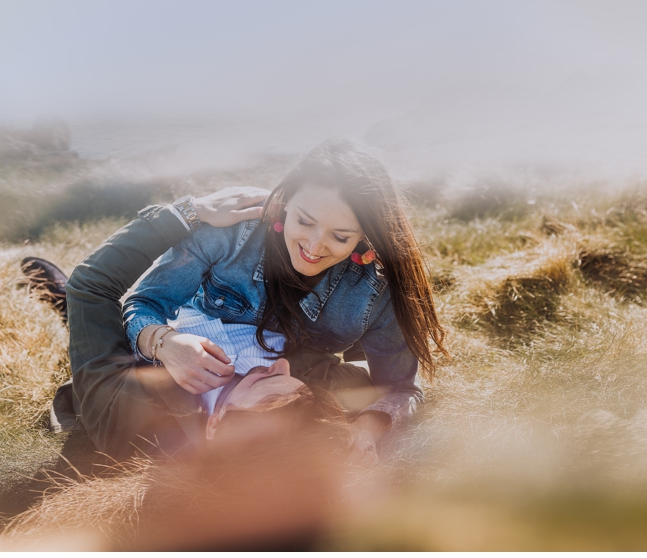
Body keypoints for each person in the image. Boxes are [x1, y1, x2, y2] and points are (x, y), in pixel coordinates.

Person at [123, 137, 448, 460]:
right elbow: (143, 304)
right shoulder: (228, 233)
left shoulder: (375, 291)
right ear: (287, 202)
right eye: (305, 221)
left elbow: (401, 388)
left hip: (290, 390)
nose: (314, 246)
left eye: (340, 236)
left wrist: (367, 427)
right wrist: (166, 343)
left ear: (365, 235)